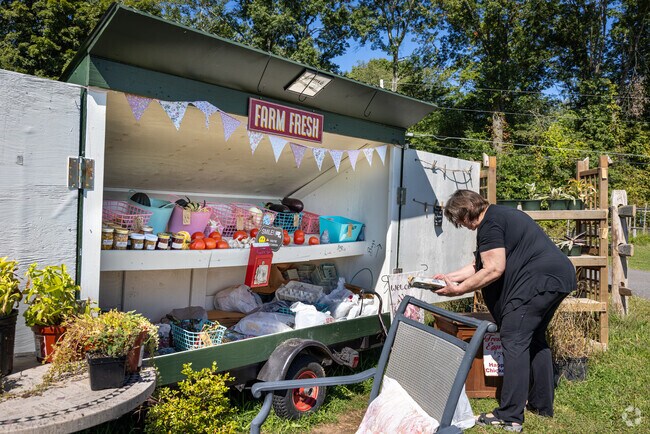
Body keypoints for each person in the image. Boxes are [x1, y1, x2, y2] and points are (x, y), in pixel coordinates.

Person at [433, 189, 576, 432]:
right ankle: (541, 404)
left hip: (537, 283)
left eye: (459, 220)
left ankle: (510, 415)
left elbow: (493, 269)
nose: (462, 226)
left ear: (467, 211)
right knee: (534, 340)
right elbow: (479, 265)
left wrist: (459, 291)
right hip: (556, 277)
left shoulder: (489, 224)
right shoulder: (500, 216)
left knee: (514, 339)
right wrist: (449, 278)